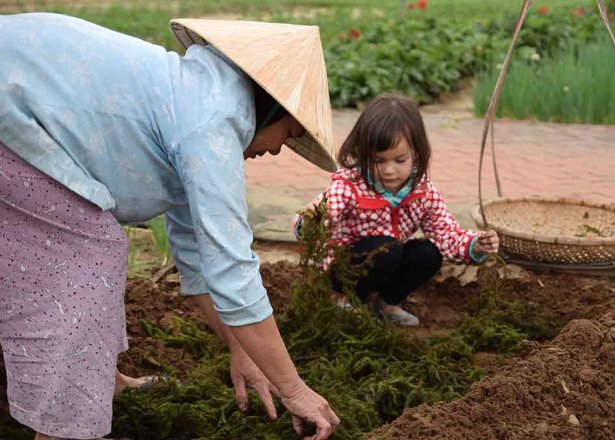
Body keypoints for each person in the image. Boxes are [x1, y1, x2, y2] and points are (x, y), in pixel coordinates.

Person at [0, 12, 339, 440]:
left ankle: (98, 381)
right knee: (88, 250)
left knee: (71, 245)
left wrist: (243, 349)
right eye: (286, 134)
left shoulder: (198, 99)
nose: (275, 151)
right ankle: (62, 427)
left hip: (14, 90)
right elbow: (233, 271)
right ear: (268, 108)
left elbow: (198, 255)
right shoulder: (212, 125)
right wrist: (295, 390)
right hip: (10, 102)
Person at [293, 93, 500, 327]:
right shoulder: (349, 186)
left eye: (400, 161)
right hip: (345, 269)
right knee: (386, 249)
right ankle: (345, 301)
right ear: (363, 153)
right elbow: (322, 218)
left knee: (428, 253)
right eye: (379, 161)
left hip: (386, 264)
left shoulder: (422, 192)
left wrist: (475, 244)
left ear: (416, 154)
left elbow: (446, 235)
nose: (389, 170)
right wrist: (310, 221)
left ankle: (385, 303)